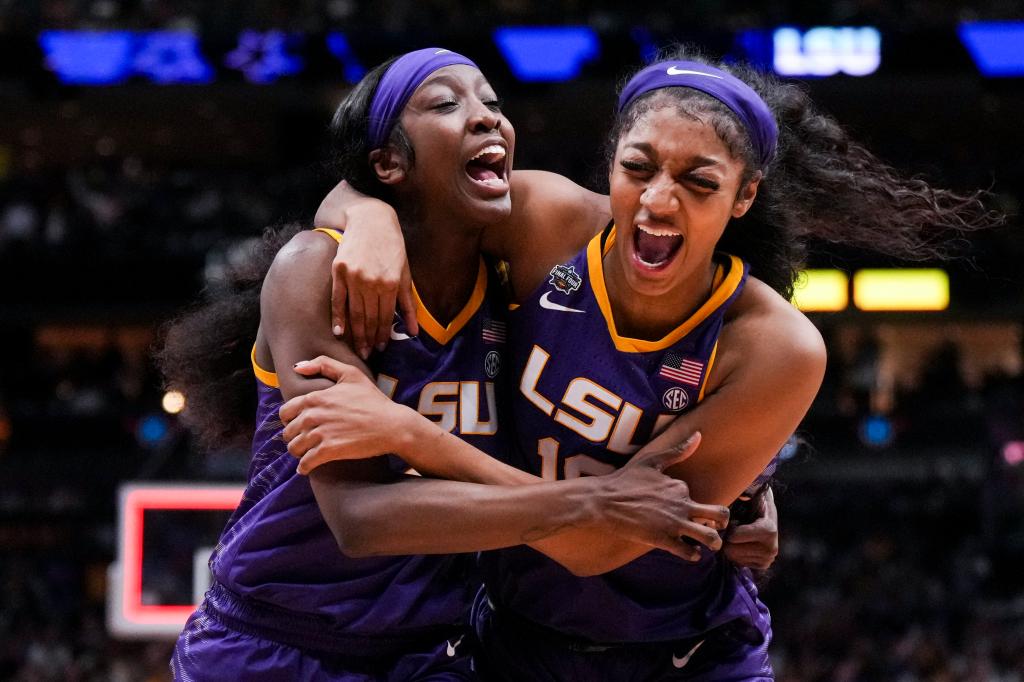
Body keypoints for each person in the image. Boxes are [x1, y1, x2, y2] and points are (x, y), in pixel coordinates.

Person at [283, 46, 1000, 679]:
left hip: (688, 650)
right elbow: (412, 186)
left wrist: (412, 435)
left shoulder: (775, 346)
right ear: (611, 167)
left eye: (698, 181)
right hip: (513, 639)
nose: (659, 199)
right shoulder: (543, 221)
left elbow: (595, 544)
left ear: (744, 197)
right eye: (639, 167)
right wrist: (362, 214)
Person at [158, 47, 758, 681]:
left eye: (493, 104)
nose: (486, 118)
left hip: (436, 648)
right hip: (275, 640)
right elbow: (358, 520)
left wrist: (752, 487)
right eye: (447, 104)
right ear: (387, 163)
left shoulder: (520, 284)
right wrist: (596, 504)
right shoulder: (317, 270)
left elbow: (666, 312)